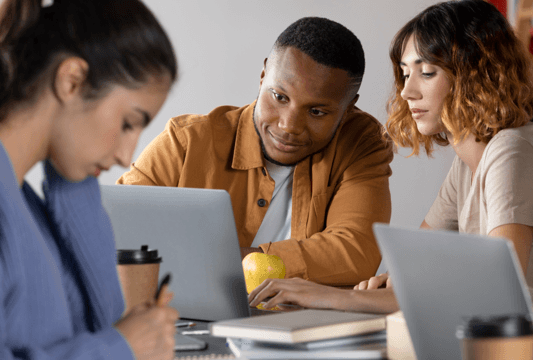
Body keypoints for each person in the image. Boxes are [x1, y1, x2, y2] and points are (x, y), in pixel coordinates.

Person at [248, 0, 533, 357]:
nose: (407, 92)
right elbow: (416, 271)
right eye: (404, 74)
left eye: (427, 72)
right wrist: (387, 284)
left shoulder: (512, 151)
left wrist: (330, 297)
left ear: (478, 74)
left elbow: (491, 295)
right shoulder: (468, 162)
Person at [117, 17, 394, 286]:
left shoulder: (361, 142)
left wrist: (234, 264)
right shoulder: (185, 141)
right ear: (263, 76)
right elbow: (113, 229)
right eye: (279, 97)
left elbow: (356, 251)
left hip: (295, 328)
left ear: (348, 108)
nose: (289, 126)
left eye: (317, 111)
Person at [0, 0, 180, 359]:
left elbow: (97, 325)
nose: (127, 157)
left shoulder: (30, 206)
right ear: (72, 81)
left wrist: (74, 191)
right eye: (128, 123)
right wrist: (123, 345)